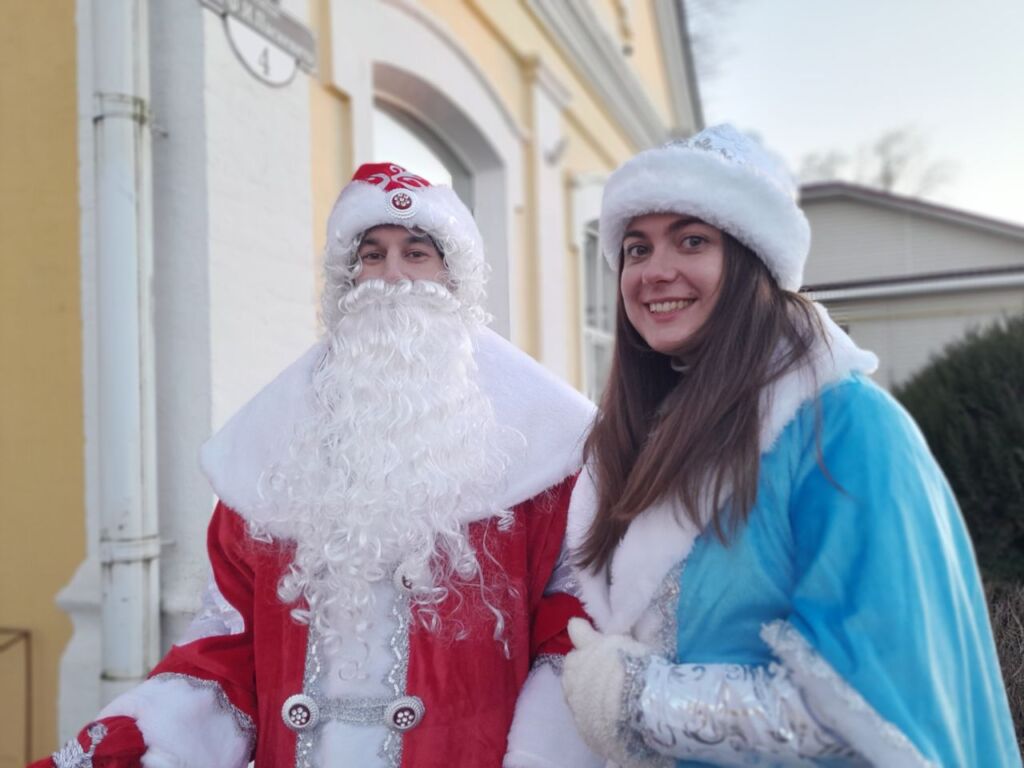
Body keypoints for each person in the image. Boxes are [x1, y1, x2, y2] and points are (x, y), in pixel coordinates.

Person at [36, 163, 602, 768]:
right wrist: (145, 744)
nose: (392, 276)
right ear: (345, 279)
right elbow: (227, 648)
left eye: (417, 253)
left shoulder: (544, 447)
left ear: (453, 276)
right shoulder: (271, 451)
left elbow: (571, 635)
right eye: (372, 255)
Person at [558, 125, 1021, 767]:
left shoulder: (847, 428)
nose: (655, 271)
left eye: (692, 240)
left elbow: (874, 716)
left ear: (755, 259)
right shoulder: (640, 436)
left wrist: (637, 700)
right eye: (637, 248)